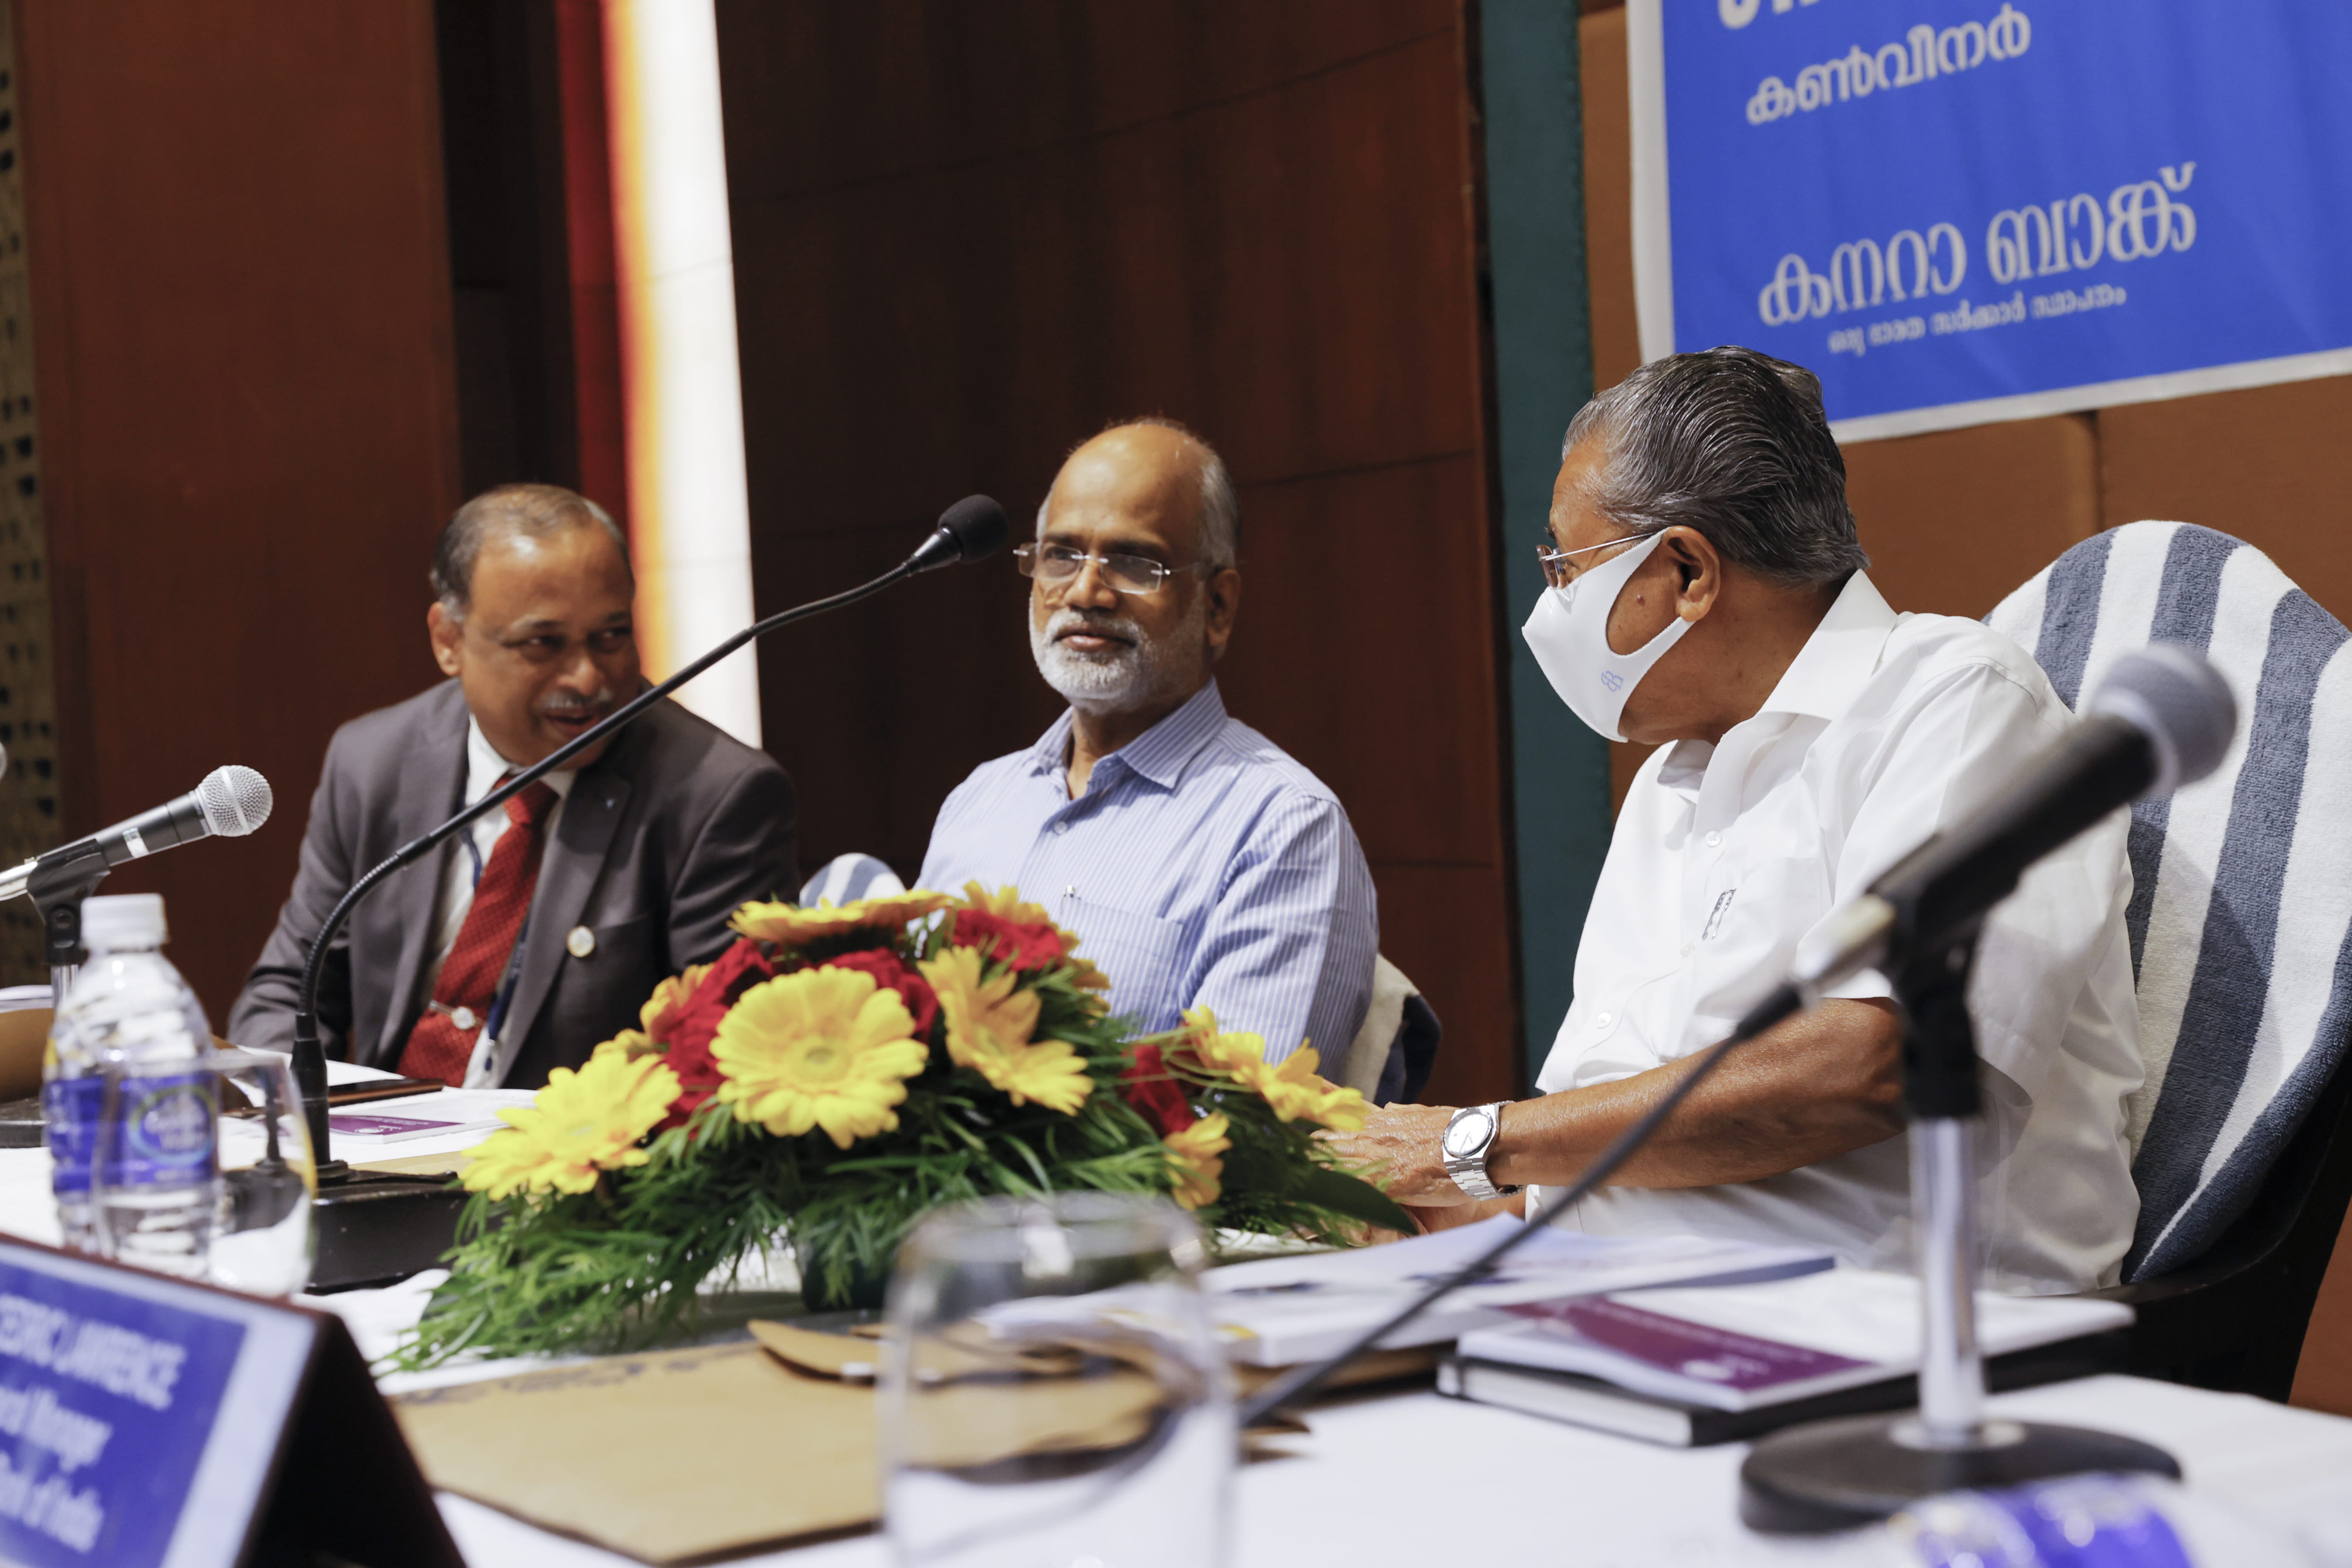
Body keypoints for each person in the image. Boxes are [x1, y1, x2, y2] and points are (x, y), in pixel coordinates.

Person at [1333, 348, 2140, 1293]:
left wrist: (1474, 1145)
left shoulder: (1956, 701)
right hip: (1616, 1294)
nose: (1549, 604)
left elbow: (1872, 1064)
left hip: (1893, 1321)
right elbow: (1634, 1130)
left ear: (1687, 571)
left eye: (1563, 565)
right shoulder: (1669, 780)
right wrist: (1465, 1202)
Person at [231, 483, 796, 1088]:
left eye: (610, 636)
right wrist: (292, 1115)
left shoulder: (716, 797)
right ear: (449, 641)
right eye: (543, 644)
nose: (589, 678)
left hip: (575, 1141)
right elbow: (288, 992)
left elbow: (719, 1064)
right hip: (379, 1136)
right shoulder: (373, 762)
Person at [918, 418, 1378, 1066]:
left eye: (1134, 563)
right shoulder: (979, 800)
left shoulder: (1284, 828)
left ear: (1217, 606)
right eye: (1060, 555)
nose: (1085, 592)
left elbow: (1237, 1116)